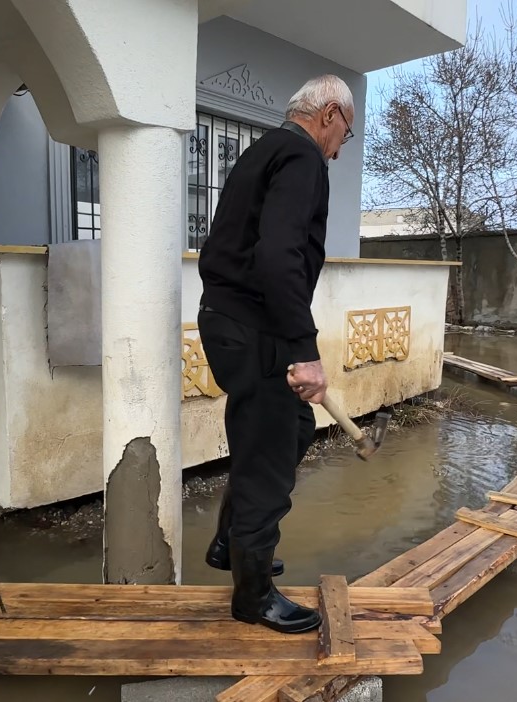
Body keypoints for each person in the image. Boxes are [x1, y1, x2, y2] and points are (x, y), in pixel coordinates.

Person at [196, 74, 356, 634]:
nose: (341, 148)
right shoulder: (303, 155)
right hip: (254, 324)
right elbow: (280, 254)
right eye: (346, 133)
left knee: (287, 428)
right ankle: (253, 596)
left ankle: (229, 544)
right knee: (268, 453)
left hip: (231, 319)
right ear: (330, 114)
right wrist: (304, 350)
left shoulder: (262, 150)